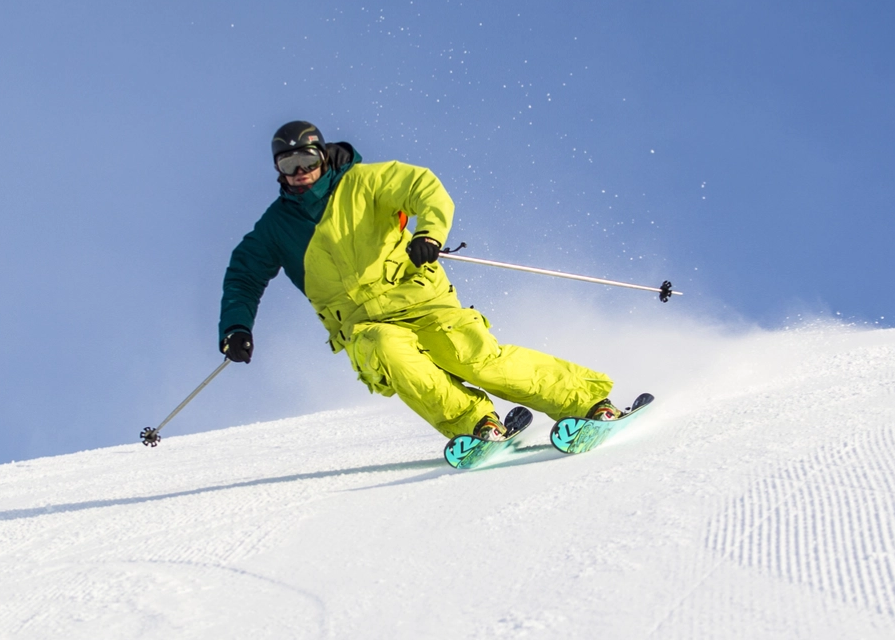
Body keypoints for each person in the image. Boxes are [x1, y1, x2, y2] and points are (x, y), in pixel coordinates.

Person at [218, 121, 625, 441]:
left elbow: (423, 187)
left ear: (322, 155)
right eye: (288, 165)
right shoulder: (276, 227)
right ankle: (476, 424)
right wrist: (236, 326)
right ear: (278, 170)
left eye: (307, 160)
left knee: (472, 359)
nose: (301, 172)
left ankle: (587, 402)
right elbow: (243, 274)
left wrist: (429, 233)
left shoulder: (364, 182)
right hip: (363, 323)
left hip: (420, 298)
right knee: (390, 353)